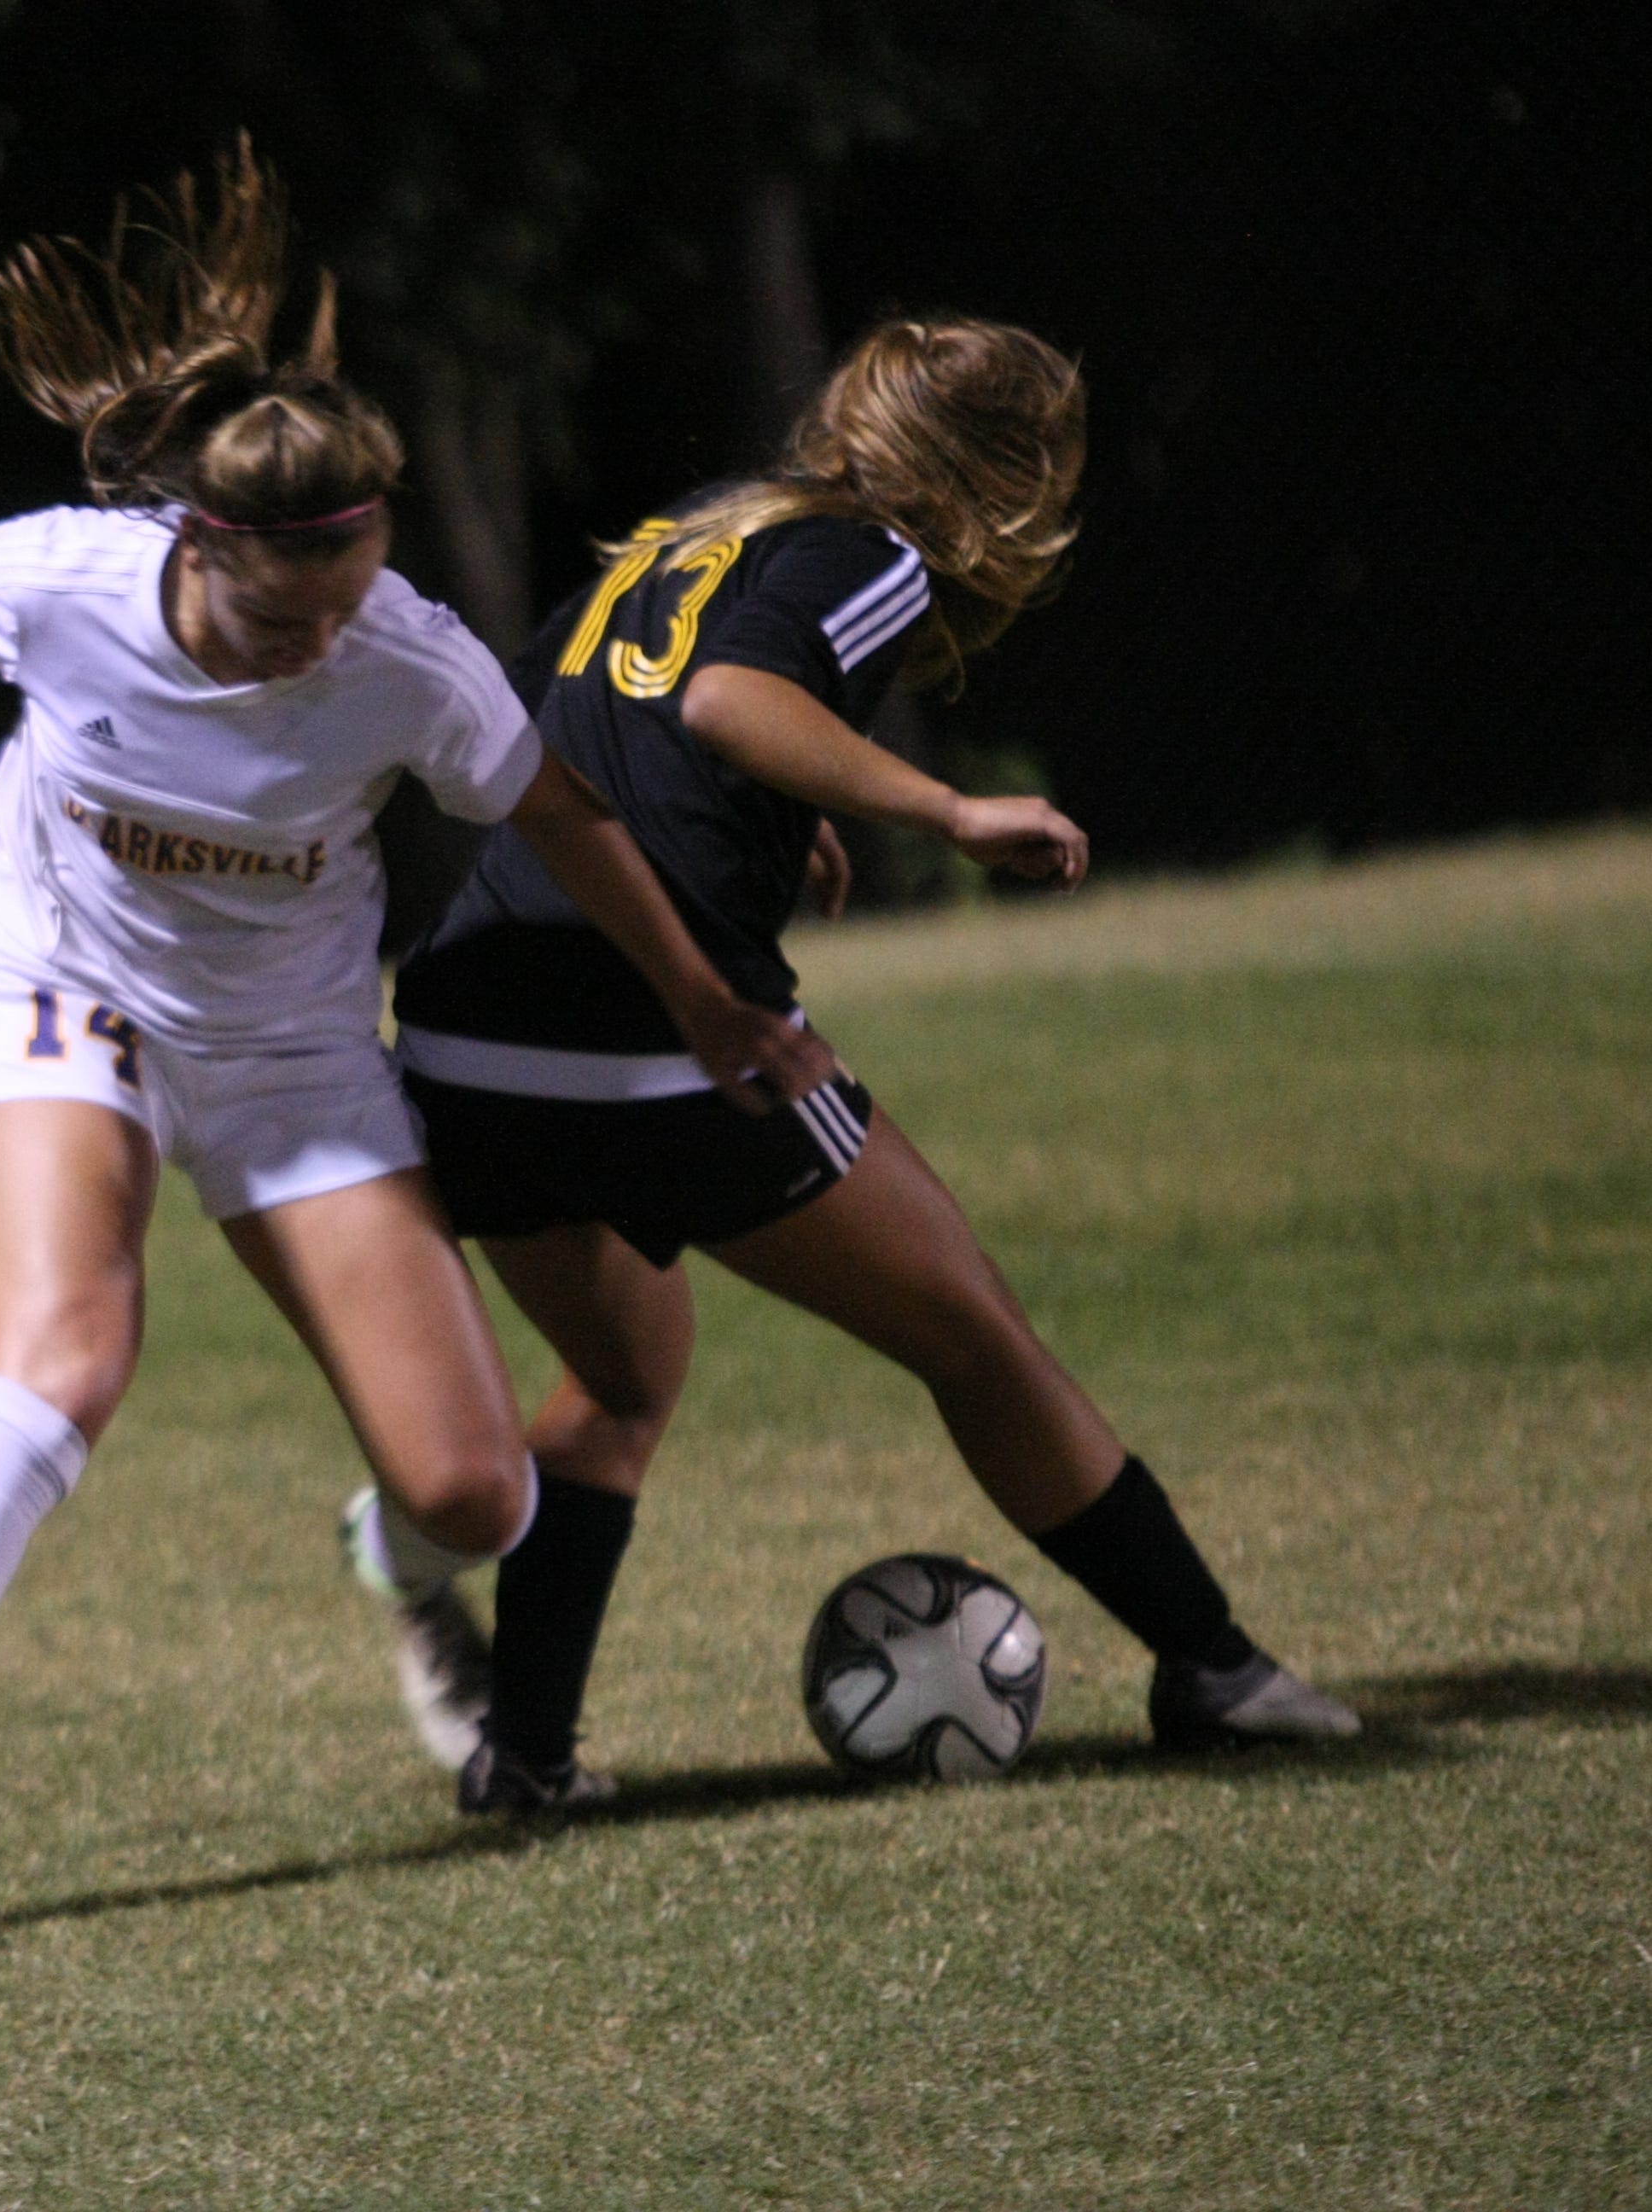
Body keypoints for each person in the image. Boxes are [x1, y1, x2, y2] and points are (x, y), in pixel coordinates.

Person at [0, 147, 819, 1914]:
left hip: (289, 1058)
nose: (313, 643)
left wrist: (705, 996)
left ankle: (396, 1552)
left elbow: (561, 813)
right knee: (64, 1356)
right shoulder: (62, 580)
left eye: (346, 601)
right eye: (285, 611)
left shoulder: (404, 661)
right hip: (54, 983)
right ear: (195, 544)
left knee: (473, 1497)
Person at [344, 316, 1361, 1813]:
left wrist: (767, 808)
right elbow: (724, 702)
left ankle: (529, 1764)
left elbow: (550, 699)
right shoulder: (874, 549)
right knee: (976, 1336)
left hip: (474, 1030)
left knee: (625, 1382)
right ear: (997, 485)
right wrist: (948, 813)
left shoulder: (702, 534)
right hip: (661, 1045)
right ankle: (1213, 1669)